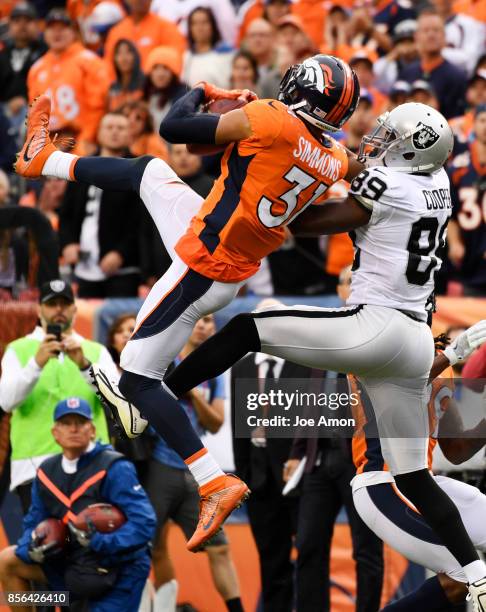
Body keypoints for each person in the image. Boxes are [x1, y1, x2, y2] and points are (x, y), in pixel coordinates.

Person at [15, 54, 362, 552]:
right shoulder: (335, 157)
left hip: (204, 264)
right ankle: (42, 158)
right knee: (150, 172)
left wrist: (201, 91)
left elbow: (174, 125)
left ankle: (211, 480)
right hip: (220, 247)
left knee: (135, 377)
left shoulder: (271, 115)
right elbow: (339, 165)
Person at [159, 102, 486, 608]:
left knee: (246, 328)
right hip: (417, 340)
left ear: (411, 148)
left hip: (378, 326)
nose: (376, 139)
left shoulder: (393, 186)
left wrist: (275, 194)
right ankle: (475, 574)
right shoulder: (436, 182)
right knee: (415, 477)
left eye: (388, 135)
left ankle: (156, 396)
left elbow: (320, 221)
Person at [351, 322, 486, 610]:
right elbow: (400, 386)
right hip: (383, 483)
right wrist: (451, 355)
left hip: (425, 484)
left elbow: (456, 449)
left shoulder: (441, 359)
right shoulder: (372, 344)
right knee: (464, 577)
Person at [284, 267, 383, 612]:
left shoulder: (379, 328)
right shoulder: (325, 331)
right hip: (319, 456)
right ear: (340, 290)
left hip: (360, 458)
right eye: (347, 282)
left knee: (366, 548)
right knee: (309, 544)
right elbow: (310, 396)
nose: (352, 288)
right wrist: (298, 451)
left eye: (358, 282)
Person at [0, 397, 156, 612]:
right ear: (55, 433)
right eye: (66, 423)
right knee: (8, 561)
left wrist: (99, 541)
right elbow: (32, 524)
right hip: (73, 567)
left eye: (80, 422)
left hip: (117, 570)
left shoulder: (114, 467)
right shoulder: (46, 472)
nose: (74, 429)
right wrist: (32, 548)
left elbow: (144, 524)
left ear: (92, 430)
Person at [144, 314, 243, 612]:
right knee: (153, 547)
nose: (203, 325)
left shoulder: (215, 369)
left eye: (209, 321)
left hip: (194, 470)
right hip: (157, 463)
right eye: (199, 319)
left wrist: (193, 395)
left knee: (220, 547)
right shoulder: (162, 358)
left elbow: (216, 422)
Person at [0, 279, 118, 512]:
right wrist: (36, 363)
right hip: (34, 466)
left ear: (74, 309)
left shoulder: (95, 351)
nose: (59, 310)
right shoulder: (18, 349)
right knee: (45, 545)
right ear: (39, 309)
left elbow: (117, 401)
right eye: (52, 304)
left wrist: (85, 366)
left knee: (89, 545)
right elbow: (6, 401)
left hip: (91, 463)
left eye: (64, 304)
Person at [230, 298, 311, 612]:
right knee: (271, 557)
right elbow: (239, 428)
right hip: (259, 476)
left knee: (307, 551)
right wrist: (244, 476)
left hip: (297, 475)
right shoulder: (243, 366)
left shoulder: (305, 363)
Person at [58, 111, 142, 298]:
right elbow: (66, 214)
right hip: (84, 267)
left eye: (120, 128)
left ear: (130, 134)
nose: (114, 132)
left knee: (120, 324)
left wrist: (121, 253)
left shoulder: (140, 170)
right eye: (109, 127)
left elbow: (142, 222)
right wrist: (68, 244)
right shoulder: (80, 167)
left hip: (123, 269)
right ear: (99, 133)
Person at [27, 8, 110, 156]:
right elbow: (35, 115)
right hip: (48, 142)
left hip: (80, 138)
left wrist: (87, 139)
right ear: (44, 34)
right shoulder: (36, 69)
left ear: (74, 32)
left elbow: (97, 106)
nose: (57, 33)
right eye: (52, 28)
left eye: (62, 28)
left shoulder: (89, 62)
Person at [399, 9, 468, 119]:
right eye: (426, 31)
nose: (431, 35)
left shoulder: (457, 77)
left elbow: (460, 118)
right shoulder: (407, 73)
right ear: (416, 37)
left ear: (445, 36)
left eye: (436, 30)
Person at [447, 104, 486, 295]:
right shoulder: (458, 168)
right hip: (468, 262)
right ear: (474, 124)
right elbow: (450, 215)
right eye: (482, 120)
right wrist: (454, 243)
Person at [103, 0, 186, 75]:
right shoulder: (117, 31)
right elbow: (109, 66)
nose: (141, 1)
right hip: (124, 88)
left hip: (154, 87)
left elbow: (176, 61)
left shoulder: (167, 28)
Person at [182, 6, 234, 90]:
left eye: (204, 22)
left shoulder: (226, 53)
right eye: (194, 23)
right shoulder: (187, 56)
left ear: (212, 26)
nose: (200, 27)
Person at [107, 38, 145, 112]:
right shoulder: (113, 87)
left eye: (128, 52)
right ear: (114, 58)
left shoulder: (145, 84)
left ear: (135, 56)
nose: (123, 58)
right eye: (119, 53)